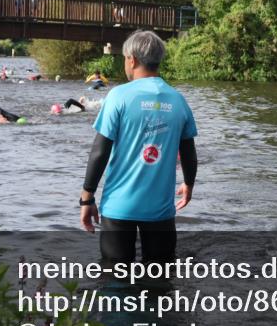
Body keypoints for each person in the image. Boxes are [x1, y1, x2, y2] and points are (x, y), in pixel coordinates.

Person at [79, 30, 198, 271]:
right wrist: (188, 183)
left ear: (131, 59)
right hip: (161, 211)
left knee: (114, 280)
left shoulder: (118, 96)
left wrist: (87, 197)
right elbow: (188, 152)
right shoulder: (178, 100)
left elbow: (100, 151)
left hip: (119, 208)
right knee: (160, 282)